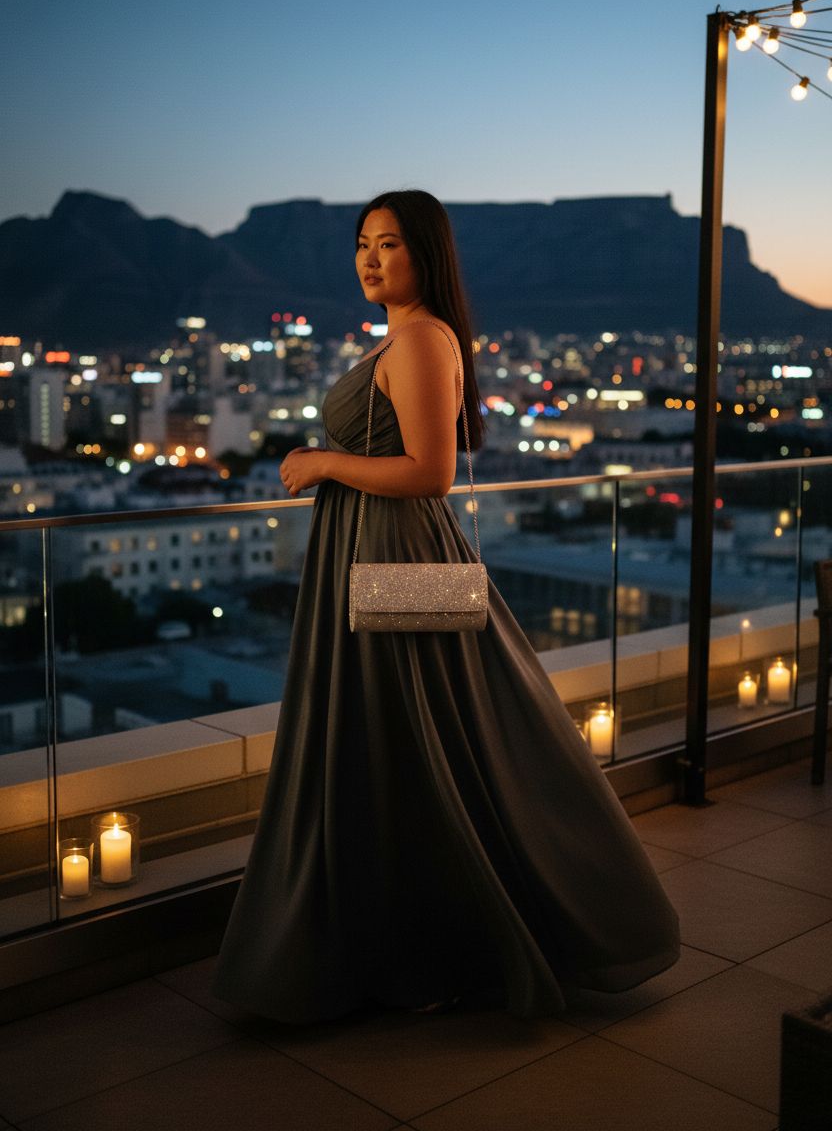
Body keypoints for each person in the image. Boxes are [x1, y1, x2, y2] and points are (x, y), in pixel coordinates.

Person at [210, 189, 680, 1023]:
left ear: (425, 254)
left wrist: (322, 463)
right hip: (375, 548)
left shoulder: (424, 339)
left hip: (395, 552)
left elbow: (430, 472)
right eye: (362, 242)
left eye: (389, 244)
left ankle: (446, 947)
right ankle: (413, 945)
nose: (369, 257)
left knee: (414, 735)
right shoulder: (402, 336)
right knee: (409, 735)